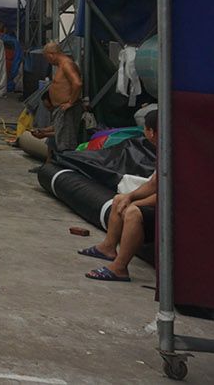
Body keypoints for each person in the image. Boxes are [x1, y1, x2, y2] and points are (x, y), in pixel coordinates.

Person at [81, 110, 159, 282]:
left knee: (132, 212)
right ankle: (107, 247)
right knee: (119, 199)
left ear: (151, 132)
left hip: (176, 211)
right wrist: (129, 197)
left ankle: (120, 267)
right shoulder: (163, 151)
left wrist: (135, 204)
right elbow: (154, 184)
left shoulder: (174, 154)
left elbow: (167, 197)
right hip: (161, 202)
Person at [39, 41, 84, 156]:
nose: (48, 61)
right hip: (60, 108)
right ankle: (49, 166)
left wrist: (70, 102)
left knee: (66, 143)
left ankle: (65, 167)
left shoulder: (67, 64)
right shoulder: (61, 66)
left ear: (51, 54)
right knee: (55, 140)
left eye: (47, 58)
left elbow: (77, 83)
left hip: (67, 107)